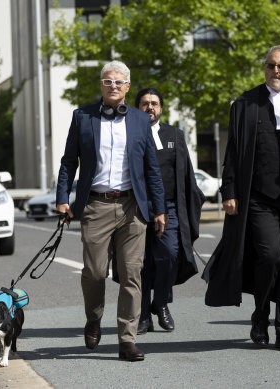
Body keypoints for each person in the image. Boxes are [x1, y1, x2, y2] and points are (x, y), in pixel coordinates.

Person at [202, 45, 280, 351]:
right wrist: (229, 191)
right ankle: (260, 317)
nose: (276, 71)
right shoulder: (245, 104)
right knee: (270, 257)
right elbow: (233, 152)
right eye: (271, 65)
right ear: (265, 67)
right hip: (259, 197)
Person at [56, 60, 166, 362]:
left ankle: (126, 340)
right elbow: (69, 161)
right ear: (101, 85)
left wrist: (158, 209)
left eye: (118, 82)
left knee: (132, 273)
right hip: (95, 204)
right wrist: (63, 197)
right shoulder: (82, 117)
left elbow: (151, 169)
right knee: (93, 272)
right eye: (107, 81)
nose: (113, 86)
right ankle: (93, 318)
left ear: (128, 86)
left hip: (133, 207)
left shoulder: (141, 121)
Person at [133, 88, 205, 335]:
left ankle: (160, 302)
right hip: (138, 208)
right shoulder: (130, 134)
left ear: (161, 108)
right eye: (144, 103)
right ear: (137, 108)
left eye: (154, 103)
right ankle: (143, 315)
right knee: (140, 263)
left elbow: (186, 173)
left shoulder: (174, 134)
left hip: (171, 207)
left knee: (170, 255)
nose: (149, 107)